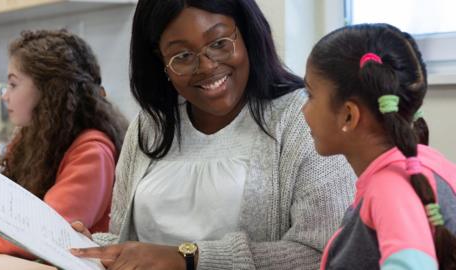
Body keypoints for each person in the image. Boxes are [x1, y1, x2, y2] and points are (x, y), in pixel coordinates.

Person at [71, 1, 356, 269]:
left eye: (219, 43)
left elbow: (326, 253)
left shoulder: (303, 118)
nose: (207, 66)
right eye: (182, 56)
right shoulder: (150, 126)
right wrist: (91, 248)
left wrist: (190, 259)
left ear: (246, 33)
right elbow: (129, 242)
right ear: (161, 61)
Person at [302, 23, 456, 270]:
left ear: (349, 116)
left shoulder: (390, 187)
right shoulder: (433, 163)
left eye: (309, 95)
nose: (303, 110)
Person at [0, 29, 128, 258]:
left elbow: (37, 236)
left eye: (13, 84)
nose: (4, 95)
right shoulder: (32, 138)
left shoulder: (92, 152)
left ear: (48, 91)